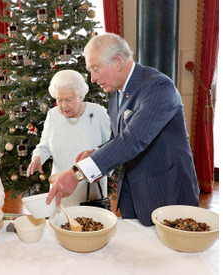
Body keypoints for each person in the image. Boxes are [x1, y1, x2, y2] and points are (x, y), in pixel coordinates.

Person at [46, 33, 200, 226]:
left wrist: (77, 173)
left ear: (117, 62)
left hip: (166, 192)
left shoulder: (158, 87)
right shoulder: (116, 92)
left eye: (95, 69)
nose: (92, 79)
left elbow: (132, 140)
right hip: (133, 194)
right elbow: (119, 138)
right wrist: (97, 152)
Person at [26, 70, 110, 207]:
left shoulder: (98, 112)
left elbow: (111, 149)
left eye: (68, 100)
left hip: (90, 192)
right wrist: (37, 158)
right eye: (59, 100)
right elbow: (44, 146)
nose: (63, 105)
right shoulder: (53, 115)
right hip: (60, 189)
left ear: (81, 96)